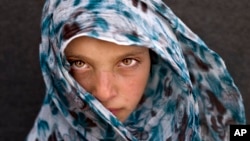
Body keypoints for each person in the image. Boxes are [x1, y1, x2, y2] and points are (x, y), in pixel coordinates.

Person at [27, 0, 246, 140]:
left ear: (159, 57)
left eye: (127, 61)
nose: (103, 92)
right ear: (56, 68)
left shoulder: (223, 129)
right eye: (79, 63)